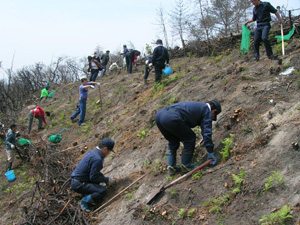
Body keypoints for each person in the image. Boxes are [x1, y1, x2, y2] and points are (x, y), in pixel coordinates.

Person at [155, 101, 222, 175]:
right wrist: (210, 151)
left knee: (172, 141)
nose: (211, 118)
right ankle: (186, 165)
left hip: (159, 116)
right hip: (171, 117)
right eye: (213, 115)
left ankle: (171, 166)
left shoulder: (198, 106)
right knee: (190, 138)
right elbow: (206, 133)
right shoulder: (206, 111)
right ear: (214, 111)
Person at [71, 138, 115, 212]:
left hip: (76, 180)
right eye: (109, 151)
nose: (109, 153)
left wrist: (104, 179)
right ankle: (84, 202)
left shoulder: (92, 152)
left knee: (97, 183)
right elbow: (93, 176)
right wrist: (106, 180)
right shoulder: (97, 159)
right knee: (102, 190)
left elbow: (94, 173)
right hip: (79, 184)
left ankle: (86, 194)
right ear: (105, 149)